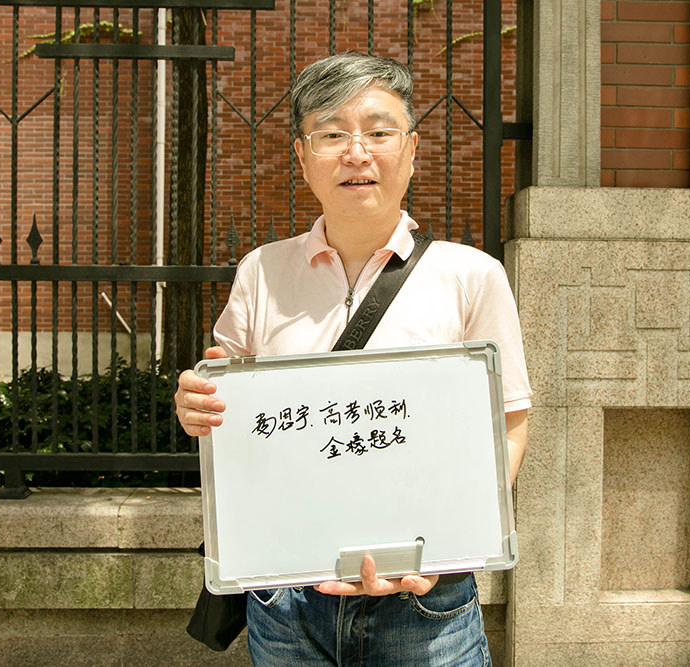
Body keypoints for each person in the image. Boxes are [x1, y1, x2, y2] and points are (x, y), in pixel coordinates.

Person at [174, 51, 531, 666]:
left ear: (412, 150)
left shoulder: (472, 276)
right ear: (302, 156)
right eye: (332, 134)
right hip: (287, 600)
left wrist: (447, 545)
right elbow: (225, 414)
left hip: (425, 600)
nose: (357, 152)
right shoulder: (262, 272)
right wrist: (195, 407)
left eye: (379, 132)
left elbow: (509, 424)